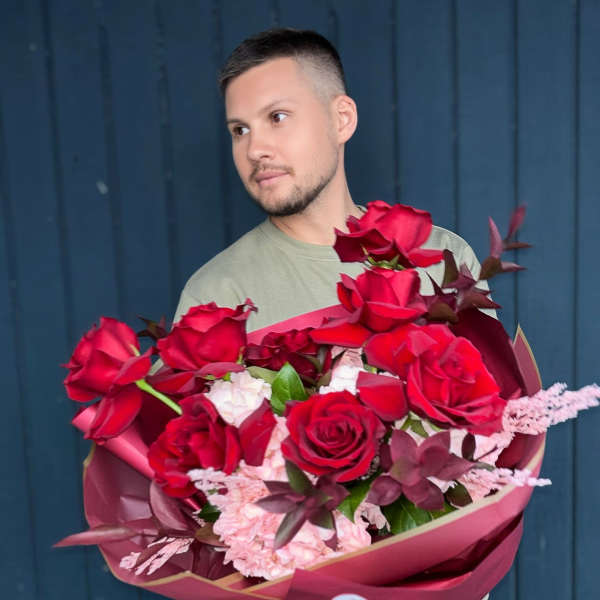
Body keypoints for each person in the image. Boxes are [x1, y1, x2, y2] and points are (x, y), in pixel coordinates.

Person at [173, 28, 489, 332]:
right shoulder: (213, 299)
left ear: (341, 120)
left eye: (277, 117)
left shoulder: (444, 258)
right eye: (240, 130)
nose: (254, 150)